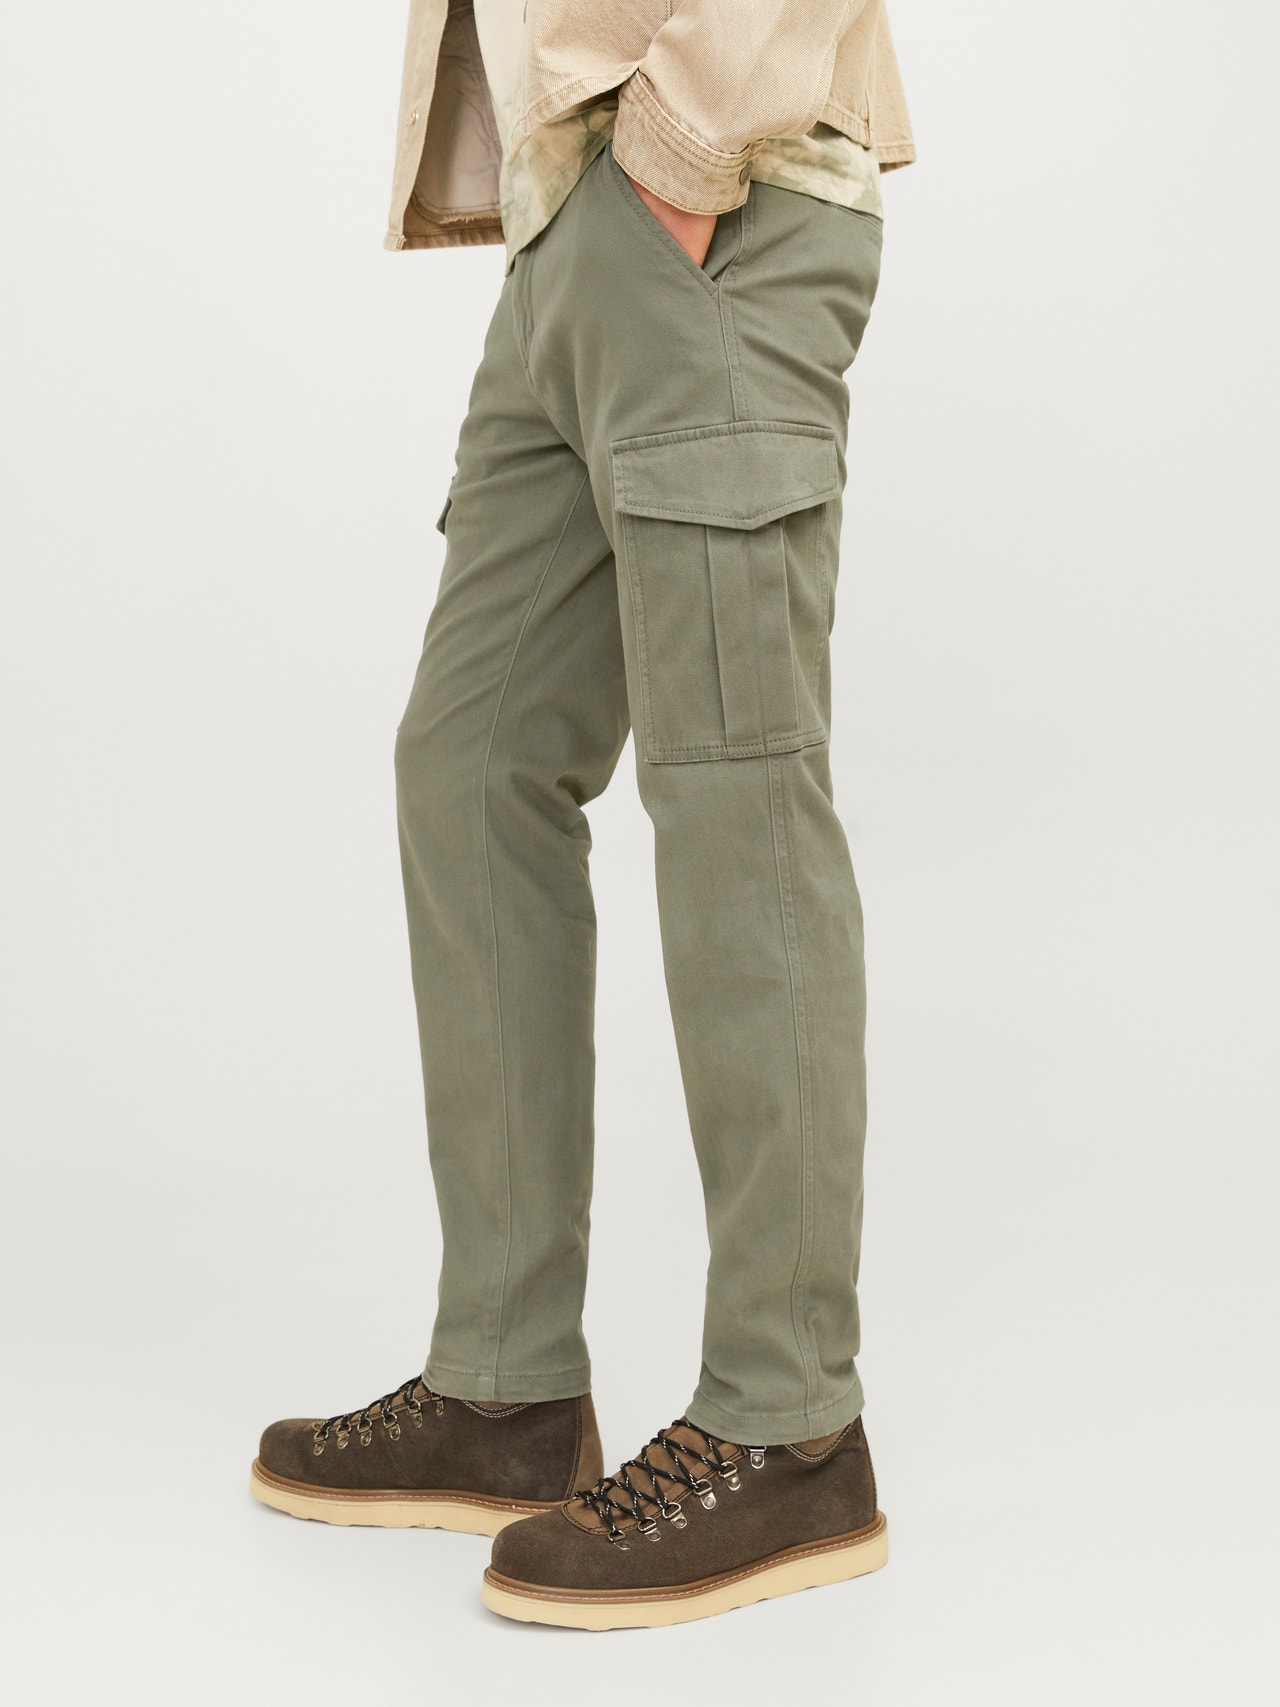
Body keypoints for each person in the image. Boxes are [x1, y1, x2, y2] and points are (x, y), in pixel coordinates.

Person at [251, 0, 914, 1630]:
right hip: (576, 230)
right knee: (468, 765)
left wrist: (679, 154)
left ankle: (790, 1425)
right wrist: (586, 198)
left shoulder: (693, 176)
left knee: (737, 792)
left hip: (720, 200)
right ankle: (506, 1388)